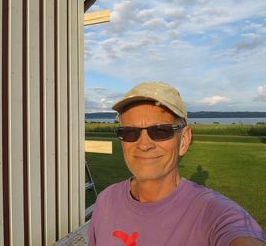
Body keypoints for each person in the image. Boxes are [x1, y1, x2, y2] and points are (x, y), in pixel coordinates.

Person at [88, 82, 266, 246]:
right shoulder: (105, 200)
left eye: (160, 131)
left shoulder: (214, 213)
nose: (143, 145)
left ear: (184, 140)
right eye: (129, 132)